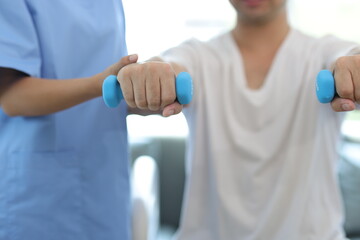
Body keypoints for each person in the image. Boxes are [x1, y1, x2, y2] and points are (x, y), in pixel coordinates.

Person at [113, 0, 360, 239]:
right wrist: (152, 75)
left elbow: (348, 56)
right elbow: (170, 65)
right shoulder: (199, 56)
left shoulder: (324, 52)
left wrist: (354, 65)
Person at [0, 1, 150, 239]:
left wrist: (144, 97)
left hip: (105, 183)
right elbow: (11, 96)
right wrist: (102, 84)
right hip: (40, 195)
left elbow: (108, 97)